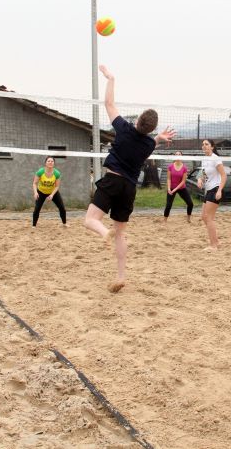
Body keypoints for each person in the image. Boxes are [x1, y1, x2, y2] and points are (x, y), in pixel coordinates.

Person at [84, 65, 176, 293]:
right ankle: (121, 276)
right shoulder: (148, 144)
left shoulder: (124, 129)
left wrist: (110, 78)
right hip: (129, 188)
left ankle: (104, 232)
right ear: (151, 129)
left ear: (138, 120)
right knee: (121, 233)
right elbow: (151, 140)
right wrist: (159, 137)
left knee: (90, 220)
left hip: (113, 181)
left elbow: (109, 103)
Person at [197, 139, 226, 251]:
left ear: (212, 147)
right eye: (203, 144)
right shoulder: (204, 159)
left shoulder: (215, 159)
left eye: (206, 144)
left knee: (209, 218)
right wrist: (200, 179)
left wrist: (220, 190)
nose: (204, 146)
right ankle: (216, 242)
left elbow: (224, 175)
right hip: (209, 189)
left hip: (215, 188)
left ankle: (213, 245)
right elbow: (204, 173)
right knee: (204, 217)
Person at [32, 156, 67, 227]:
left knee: (62, 208)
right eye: (48, 161)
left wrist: (52, 195)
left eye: (52, 161)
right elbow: (34, 183)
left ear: (54, 163)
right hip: (41, 192)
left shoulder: (57, 173)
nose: (50, 162)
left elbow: (57, 186)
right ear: (45, 163)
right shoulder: (40, 172)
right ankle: (34, 225)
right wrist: (35, 193)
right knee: (37, 209)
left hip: (52, 192)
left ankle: (64, 224)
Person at [163, 151, 193, 223]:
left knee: (190, 203)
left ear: (181, 156)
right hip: (171, 187)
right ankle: (164, 220)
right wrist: (169, 188)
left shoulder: (184, 168)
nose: (178, 155)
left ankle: (188, 219)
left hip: (181, 188)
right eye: (176, 154)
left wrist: (175, 189)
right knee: (168, 205)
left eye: (179, 154)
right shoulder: (170, 166)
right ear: (174, 156)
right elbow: (168, 179)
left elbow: (183, 181)